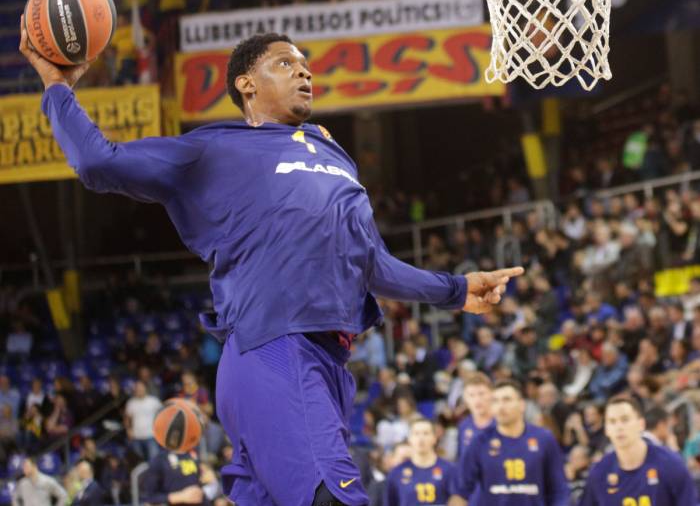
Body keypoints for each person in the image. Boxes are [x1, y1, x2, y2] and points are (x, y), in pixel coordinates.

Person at [21, 26, 523, 506]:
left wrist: (456, 289)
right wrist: (57, 87)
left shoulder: (337, 156)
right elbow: (97, 163)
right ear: (247, 84)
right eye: (285, 64)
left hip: (324, 363)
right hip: (278, 350)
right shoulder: (214, 147)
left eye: (306, 66)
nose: (304, 73)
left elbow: (372, 264)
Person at [452, 380, 569, 506]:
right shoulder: (479, 442)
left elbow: (559, 489)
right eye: (495, 401)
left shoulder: (544, 439)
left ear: (522, 405)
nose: (501, 406)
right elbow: (460, 493)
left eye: (507, 400)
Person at [580, 395, 697, 505]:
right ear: (606, 430)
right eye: (612, 421)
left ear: (641, 424)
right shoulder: (599, 472)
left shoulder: (671, 464)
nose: (619, 427)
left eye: (625, 419)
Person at [384, 418, 458, 506]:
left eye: (426, 433)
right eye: (416, 433)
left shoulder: (449, 470)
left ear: (434, 438)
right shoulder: (396, 473)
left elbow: (458, 501)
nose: (421, 438)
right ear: (409, 439)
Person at [140, 449, 205, 506]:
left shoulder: (193, 454)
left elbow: (205, 480)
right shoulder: (159, 459)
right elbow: (149, 497)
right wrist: (180, 497)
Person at [124, 380, 163, 462]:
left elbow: (162, 415)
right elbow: (127, 418)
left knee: (154, 460)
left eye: (140, 387)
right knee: (139, 461)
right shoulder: (131, 403)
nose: (139, 390)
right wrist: (128, 430)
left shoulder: (153, 401)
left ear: (145, 388)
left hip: (151, 435)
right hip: (136, 437)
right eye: (137, 388)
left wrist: (160, 429)